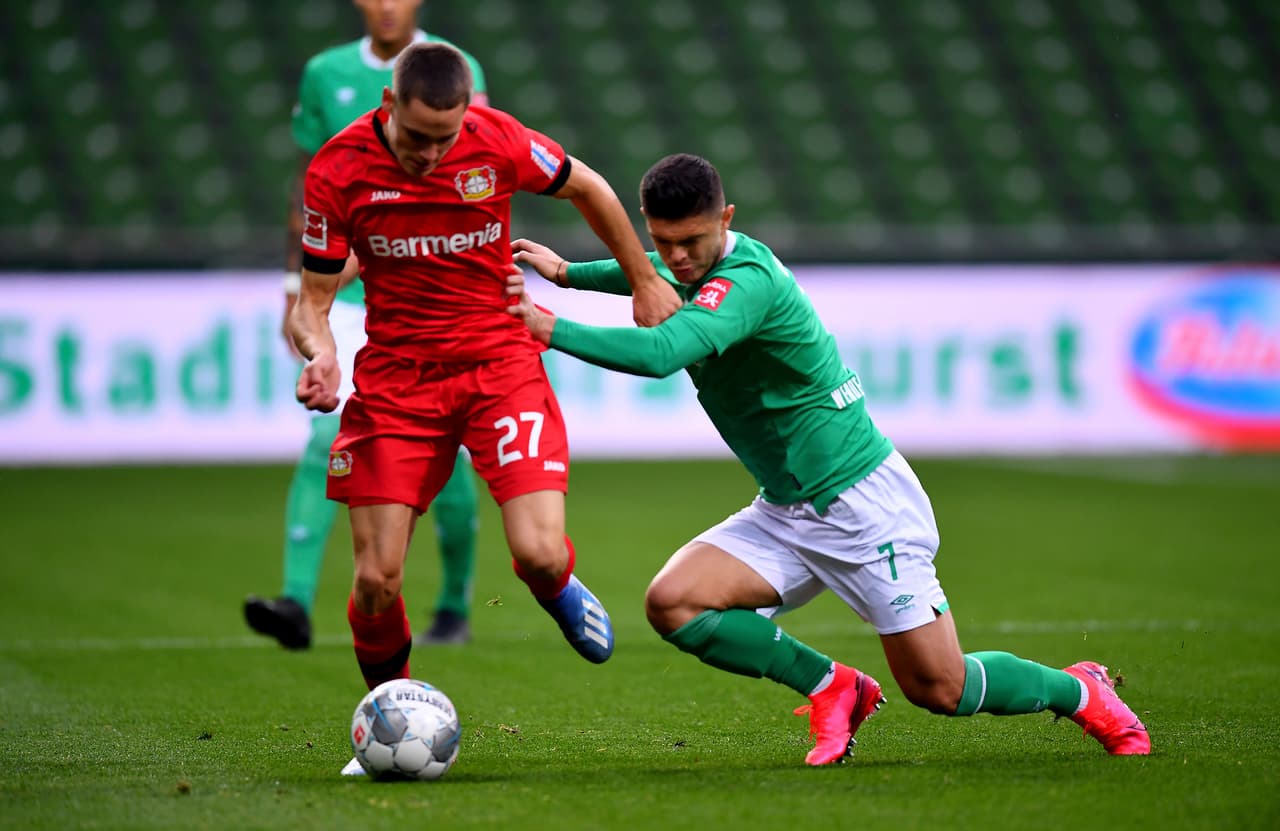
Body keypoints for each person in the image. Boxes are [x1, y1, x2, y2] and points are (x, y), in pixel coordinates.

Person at [504, 153, 1152, 765]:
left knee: (940, 687)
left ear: (726, 221)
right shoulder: (687, 261)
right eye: (664, 240)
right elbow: (653, 270)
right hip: (788, 507)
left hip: (862, 504)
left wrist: (549, 325)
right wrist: (571, 273)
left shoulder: (746, 284)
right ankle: (833, 685)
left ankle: (1080, 689)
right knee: (675, 602)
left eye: (692, 241)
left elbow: (660, 353)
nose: (677, 256)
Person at [290, 42, 682, 774]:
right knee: (376, 580)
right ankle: (388, 714)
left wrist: (642, 279)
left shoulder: (497, 139)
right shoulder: (338, 170)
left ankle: (557, 585)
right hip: (399, 383)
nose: (430, 157)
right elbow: (311, 301)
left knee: (535, 551)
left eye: (444, 140)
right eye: (415, 139)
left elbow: (589, 186)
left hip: (499, 364)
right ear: (387, 109)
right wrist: (321, 352)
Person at [244, 0, 490, 649]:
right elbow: (310, 189)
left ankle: (454, 604)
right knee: (327, 434)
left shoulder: (456, 69)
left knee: (452, 454)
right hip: (348, 292)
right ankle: (295, 603)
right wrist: (299, 288)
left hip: (431, 288)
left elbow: (482, 171)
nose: (387, 5)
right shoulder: (324, 73)